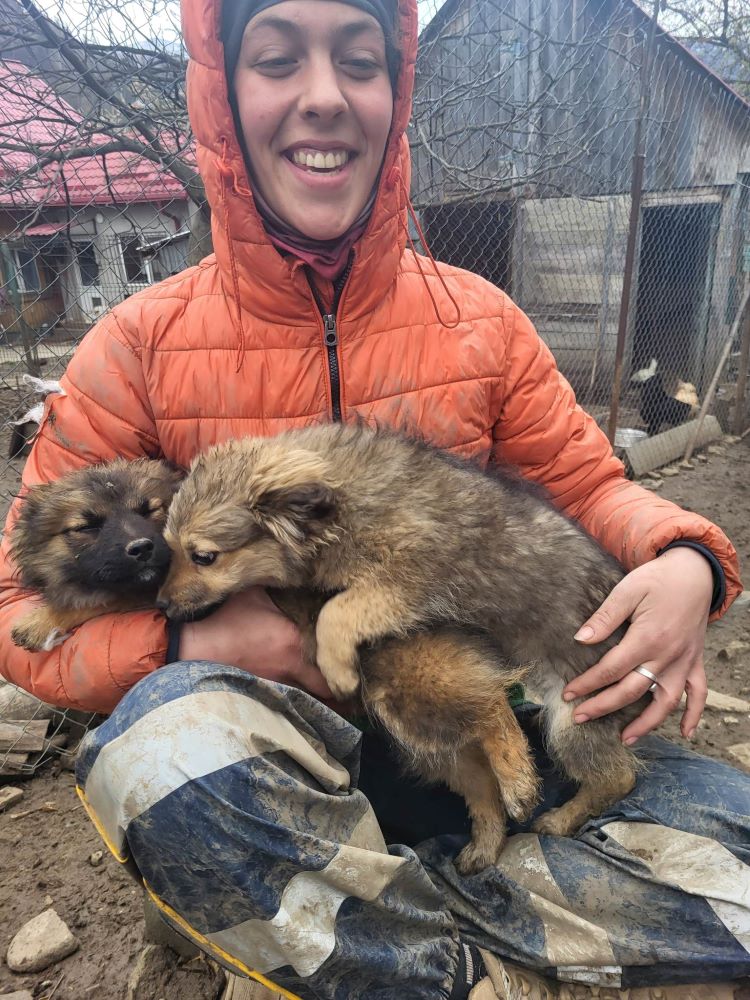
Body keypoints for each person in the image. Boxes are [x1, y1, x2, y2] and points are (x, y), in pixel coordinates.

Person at [0, 0, 748, 996]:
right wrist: (188, 645)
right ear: (222, 96)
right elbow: (22, 615)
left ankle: (389, 940)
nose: (322, 96)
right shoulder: (132, 347)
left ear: (395, 96)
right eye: (276, 60)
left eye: (360, 60)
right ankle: (492, 937)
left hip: (486, 706)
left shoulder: (479, 318)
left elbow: (587, 487)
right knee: (159, 754)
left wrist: (686, 562)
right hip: (281, 760)